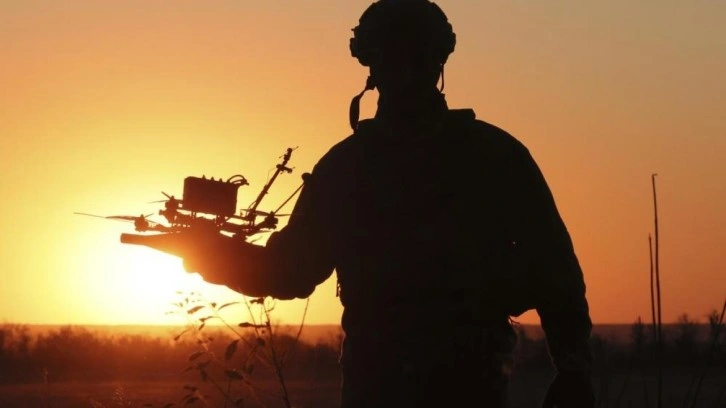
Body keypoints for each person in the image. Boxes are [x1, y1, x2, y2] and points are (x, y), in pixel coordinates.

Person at [123, 1, 595, 407]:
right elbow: (288, 272)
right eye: (397, 59)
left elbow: (553, 268)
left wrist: (206, 252)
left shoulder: (357, 166)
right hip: (415, 385)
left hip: (429, 384)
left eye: (413, 58)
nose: (406, 73)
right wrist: (205, 250)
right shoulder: (489, 155)